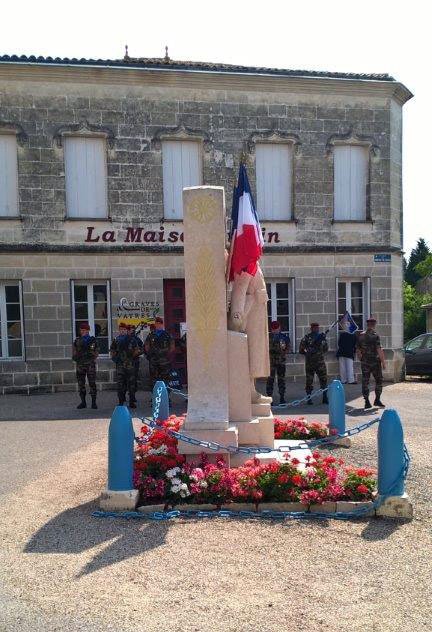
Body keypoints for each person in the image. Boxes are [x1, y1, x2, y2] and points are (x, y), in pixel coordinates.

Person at [228, 264, 271, 404]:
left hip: (257, 312)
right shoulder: (246, 260)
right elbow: (239, 289)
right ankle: (248, 391)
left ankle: (251, 390)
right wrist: (238, 313)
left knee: (255, 354)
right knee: (250, 354)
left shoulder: (254, 263)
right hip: (250, 313)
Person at [357, 317, 386, 409]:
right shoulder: (375, 335)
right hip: (375, 362)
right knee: (379, 380)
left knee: (365, 381)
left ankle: (366, 401)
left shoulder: (361, 335)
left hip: (365, 362)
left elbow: (358, 350)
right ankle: (377, 400)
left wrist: (361, 358)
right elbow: (379, 349)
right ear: (374, 324)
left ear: (367, 324)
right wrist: (383, 362)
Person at [110, 323, 140, 408]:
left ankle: (131, 401)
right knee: (120, 384)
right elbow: (112, 350)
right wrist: (115, 358)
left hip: (130, 365)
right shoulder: (116, 340)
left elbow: (137, 350)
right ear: (119, 330)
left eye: (124, 330)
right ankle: (121, 401)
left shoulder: (132, 340)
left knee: (131, 384)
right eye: (121, 330)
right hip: (120, 365)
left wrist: (132, 356)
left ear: (127, 331)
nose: (122, 331)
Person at [299, 322, 328, 405]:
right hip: (310, 363)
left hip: (320, 363)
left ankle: (325, 397)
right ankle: (309, 398)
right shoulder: (306, 338)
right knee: (309, 381)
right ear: (311, 328)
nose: (316, 329)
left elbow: (326, 349)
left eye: (317, 328)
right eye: (314, 328)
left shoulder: (321, 338)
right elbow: (301, 349)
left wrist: (318, 349)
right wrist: (308, 351)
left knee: (323, 380)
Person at [72, 322, 98, 410]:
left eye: (84, 330)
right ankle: (83, 402)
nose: (82, 332)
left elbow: (96, 352)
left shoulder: (92, 340)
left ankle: (93, 402)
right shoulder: (77, 341)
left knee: (92, 383)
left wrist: (91, 355)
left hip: (90, 364)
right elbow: (74, 352)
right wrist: (76, 357)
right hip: (80, 364)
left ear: (88, 331)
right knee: (81, 384)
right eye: (81, 330)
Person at [144, 317, 175, 390]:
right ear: (155, 324)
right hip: (154, 361)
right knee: (154, 379)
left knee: (165, 379)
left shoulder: (167, 335)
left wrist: (166, 354)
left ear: (162, 324)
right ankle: (155, 397)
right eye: (157, 324)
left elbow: (172, 347)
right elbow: (146, 346)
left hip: (164, 361)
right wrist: (150, 355)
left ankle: (166, 396)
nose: (158, 325)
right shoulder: (151, 335)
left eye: (160, 324)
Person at [266, 321, 290, 404]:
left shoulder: (284, 337)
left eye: (276, 328)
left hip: (280, 362)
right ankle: (269, 398)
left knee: (281, 380)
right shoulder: (267, 337)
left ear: (279, 328)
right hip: (271, 362)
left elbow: (287, 348)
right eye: (274, 329)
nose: (275, 330)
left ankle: (282, 398)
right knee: (270, 380)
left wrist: (283, 353)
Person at [129, 324, 144, 392]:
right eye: (130, 330)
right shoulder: (126, 339)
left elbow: (143, 349)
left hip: (135, 361)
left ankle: (133, 392)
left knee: (134, 377)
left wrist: (137, 353)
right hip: (127, 361)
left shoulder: (137, 339)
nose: (131, 331)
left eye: (133, 330)